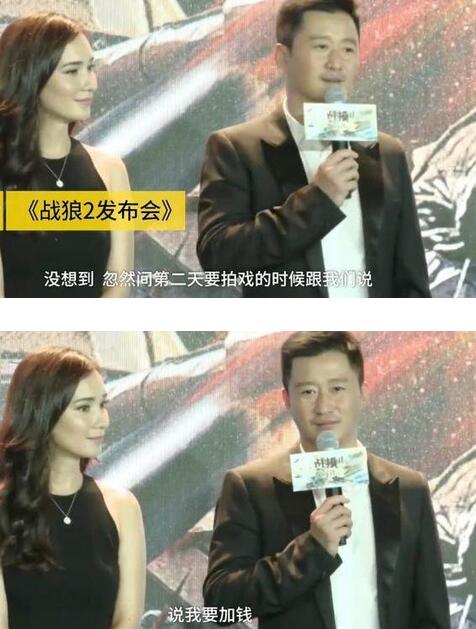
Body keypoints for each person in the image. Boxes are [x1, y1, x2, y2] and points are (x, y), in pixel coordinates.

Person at [203, 332, 450, 628]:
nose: (323, 406)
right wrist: (311, 551)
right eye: (308, 391)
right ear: (287, 399)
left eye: (337, 388)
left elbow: (431, 612)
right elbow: (221, 605)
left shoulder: (408, 488)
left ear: (362, 392)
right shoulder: (251, 487)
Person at [197, 0, 430, 297]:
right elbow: (217, 258)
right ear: (282, 57)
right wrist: (318, 200)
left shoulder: (387, 152)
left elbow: (412, 282)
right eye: (321, 47)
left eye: (348, 49)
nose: (336, 63)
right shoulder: (237, 148)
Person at [0, 347, 146, 628]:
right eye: (84, 408)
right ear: (44, 412)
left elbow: (127, 620)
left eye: (102, 405)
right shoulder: (5, 509)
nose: (102, 420)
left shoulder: (122, 507)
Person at [0, 12, 134, 297]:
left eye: (90, 67)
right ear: (32, 77)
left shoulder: (110, 170)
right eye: (72, 71)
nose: (91, 83)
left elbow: (118, 288)